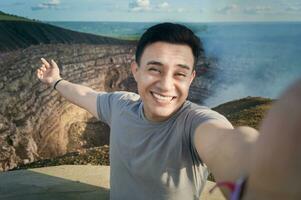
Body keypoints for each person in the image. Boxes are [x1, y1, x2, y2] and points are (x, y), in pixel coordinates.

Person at [36, 22, 301, 200]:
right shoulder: (119, 105)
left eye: (180, 73)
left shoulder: (195, 122)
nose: (165, 84)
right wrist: (56, 81)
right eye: (155, 69)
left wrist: (263, 173)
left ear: (192, 78)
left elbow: (228, 143)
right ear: (135, 71)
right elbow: (85, 95)